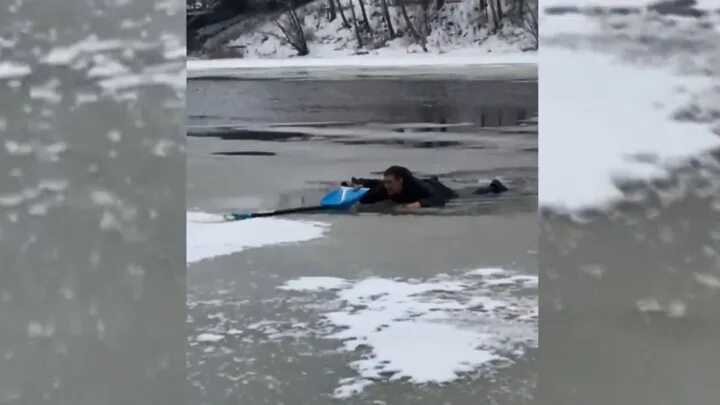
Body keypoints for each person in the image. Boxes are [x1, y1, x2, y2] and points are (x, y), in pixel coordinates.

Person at [346, 165, 508, 209]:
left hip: (436, 190)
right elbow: (374, 184)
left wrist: (420, 204)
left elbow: (438, 200)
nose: (386, 185)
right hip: (425, 186)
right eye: (386, 182)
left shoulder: (416, 189)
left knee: (468, 196)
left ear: (400, 181)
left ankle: (494, 187)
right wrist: (357, 184)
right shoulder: (385, 187)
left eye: (390, 182)